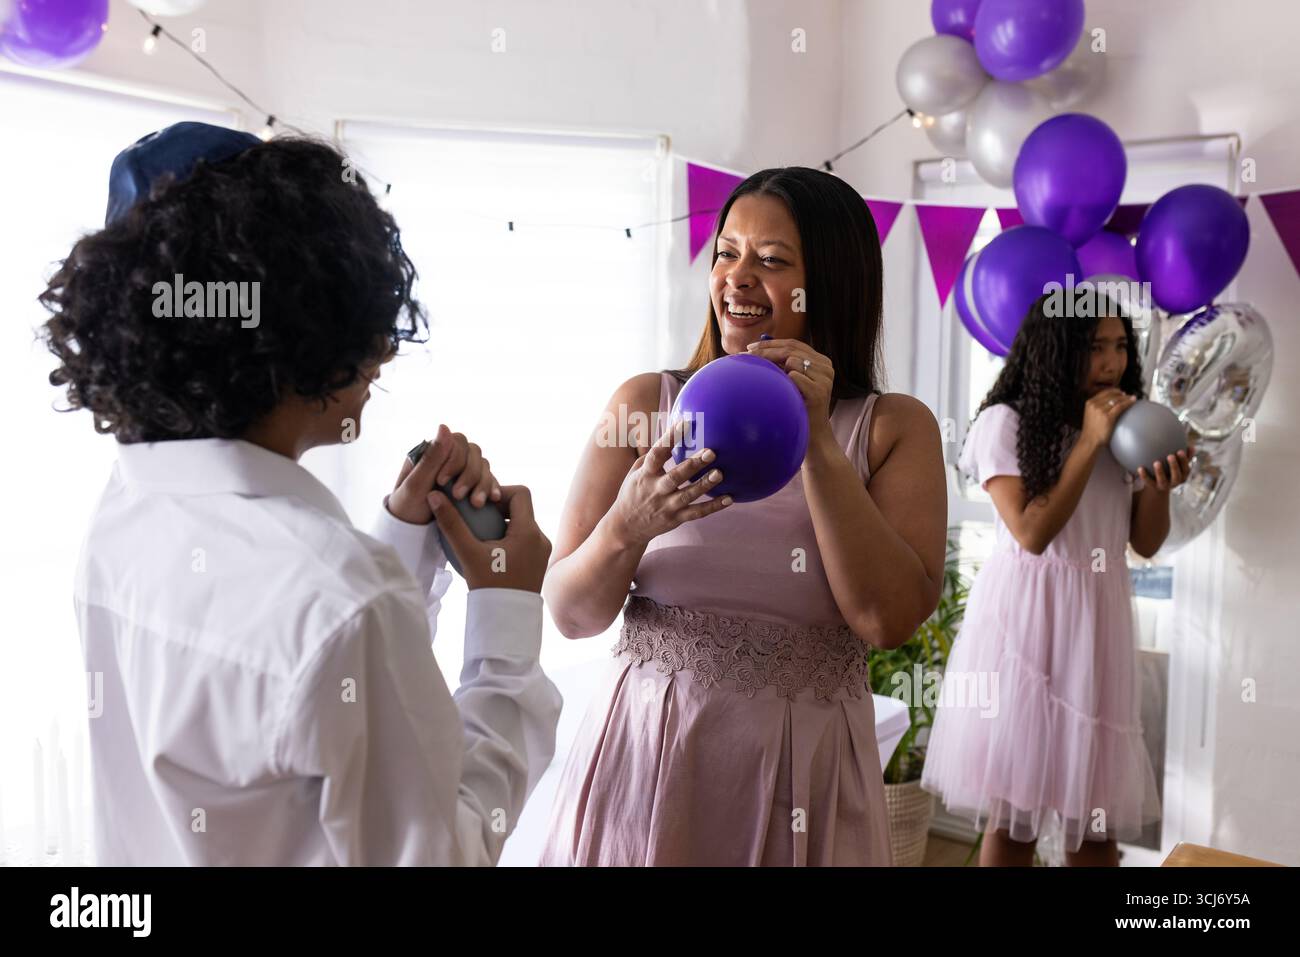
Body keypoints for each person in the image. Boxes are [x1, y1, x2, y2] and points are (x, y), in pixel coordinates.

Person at [39, 122, 560, 865]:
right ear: (299, 321)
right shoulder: (342, 598)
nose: (382, 349)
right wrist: (506, 618)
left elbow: (295, 694)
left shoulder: (123, 518)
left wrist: (403, 542)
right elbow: (451, 852)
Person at [539, 167, 947, 866]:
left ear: (831, 282)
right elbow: (570, 613)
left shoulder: (892, 429)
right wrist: (627, 524)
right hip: (650, 760)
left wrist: (816, 439)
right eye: (727, 251)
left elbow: (887, 619)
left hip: (804, 774)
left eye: (772, 260)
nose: (737, 275)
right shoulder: (645, 404)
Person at [922, 289, 1190, 866]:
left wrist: (1159, 487)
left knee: (1095, 831)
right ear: (1056, 351)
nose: (1112, 363)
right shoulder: (1005, 424)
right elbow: (1032, 533)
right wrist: (1090, 442)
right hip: (1026, 629)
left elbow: (1144, 543)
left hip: (1097, 626)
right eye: (1095, 348)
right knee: (1013, 821)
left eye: (1120, 347)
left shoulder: (1129, 431)